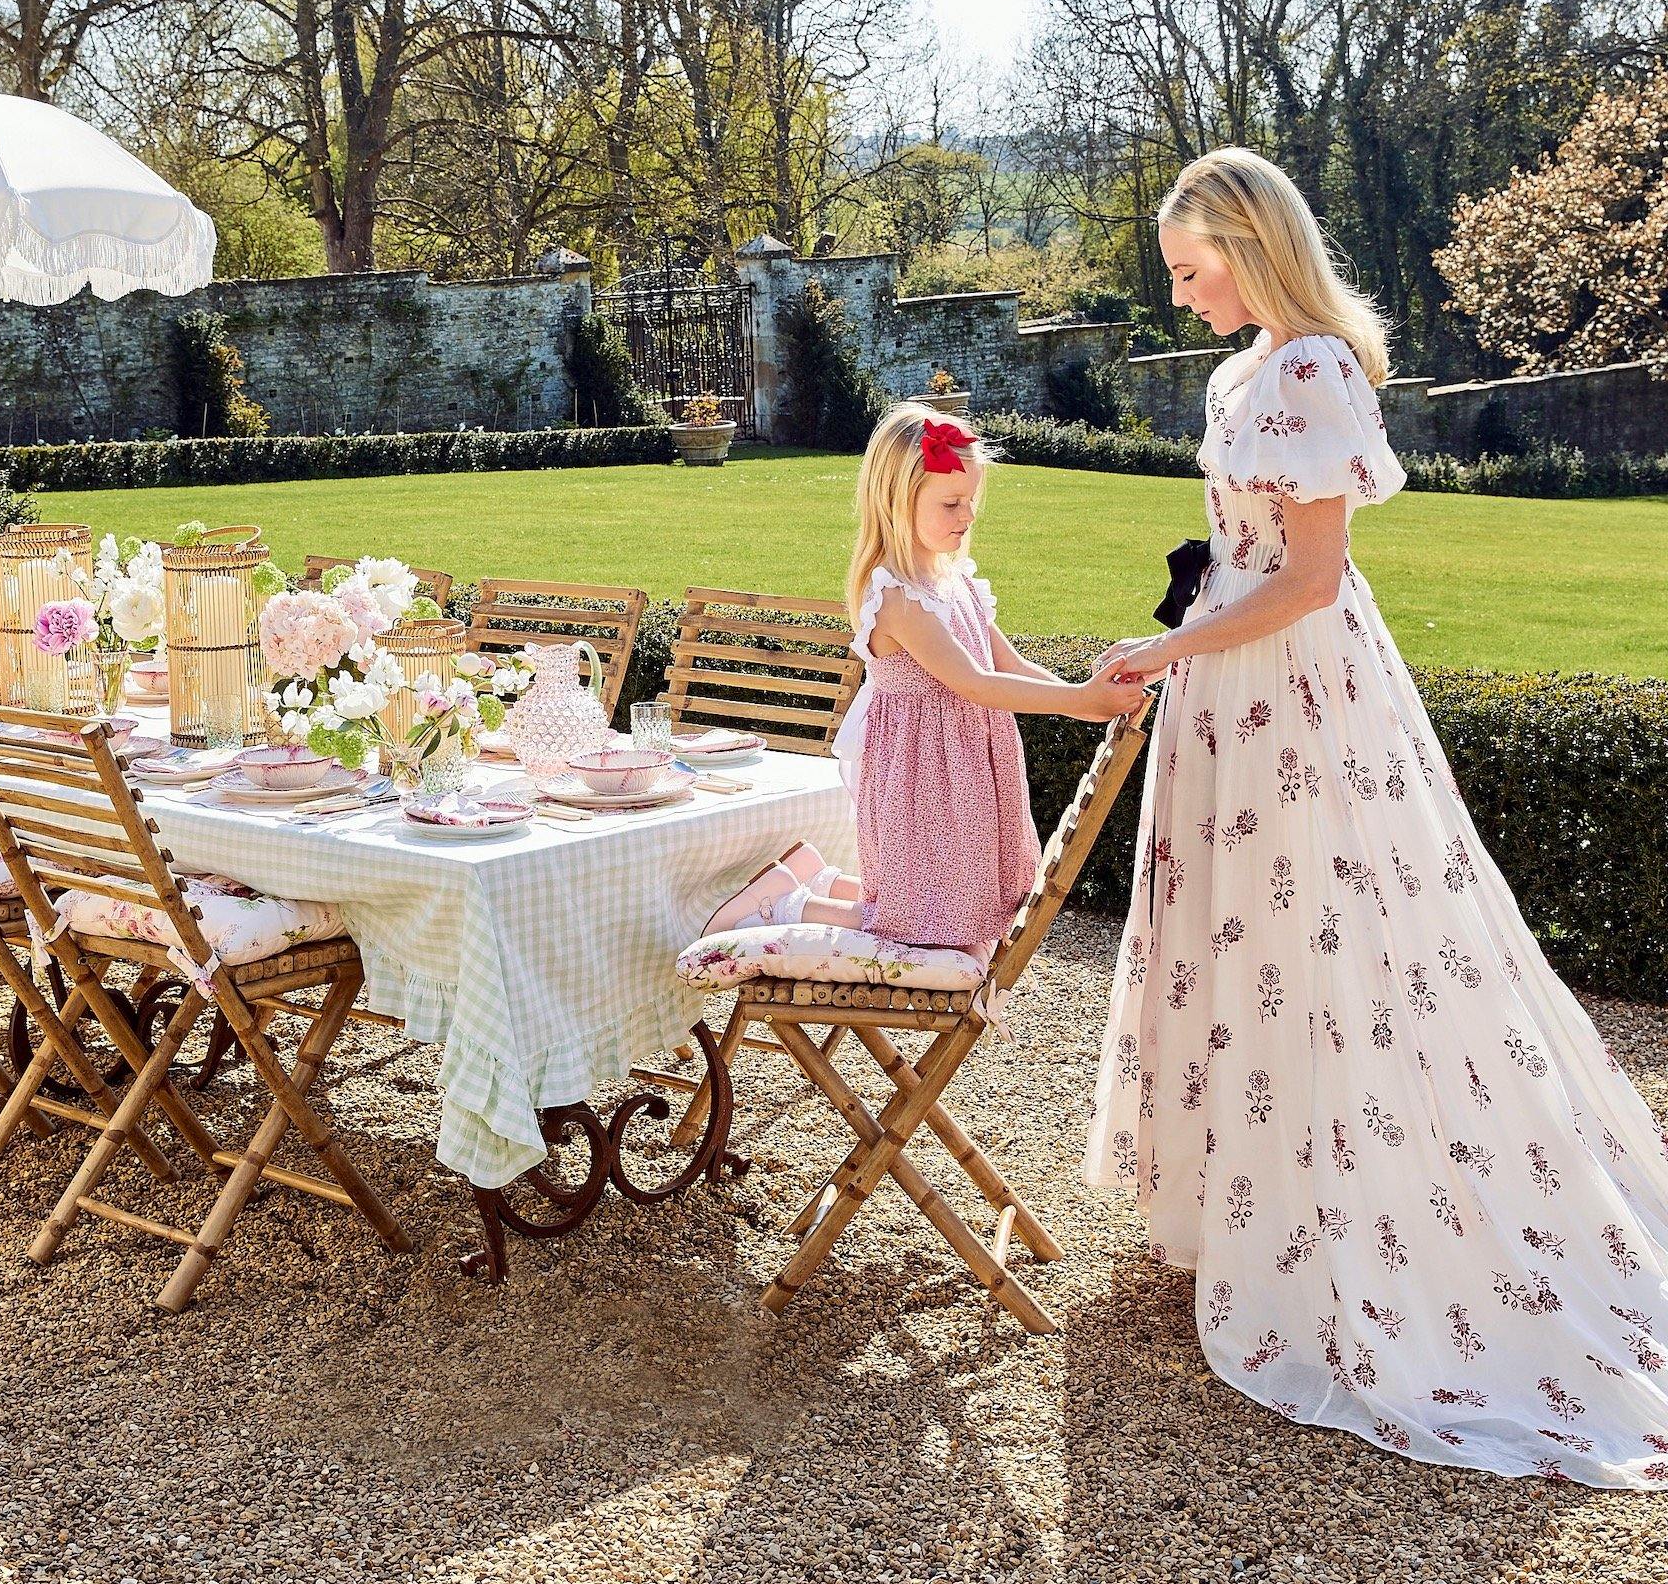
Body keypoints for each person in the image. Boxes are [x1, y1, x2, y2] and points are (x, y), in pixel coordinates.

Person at [1085, 145, 1668, 1487]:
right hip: (1231, 692)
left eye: (1189, 270)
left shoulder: (1308, 371)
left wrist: (1170, 653)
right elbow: (1242, 560)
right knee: (1252, 953)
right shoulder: (1245, 372)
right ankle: (1261, 1218)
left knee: (1329, 953)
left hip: (1292, 693)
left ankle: (1356, 1239)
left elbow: (1308, 583)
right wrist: (1180, 639)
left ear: (1248, 243)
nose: (1180, 299)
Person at [702, 403, 1129, 946]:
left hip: (968, 765)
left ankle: (817, 877)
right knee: (919, 919)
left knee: (964, 903)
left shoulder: (959, 581)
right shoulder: (898, 597)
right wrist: (1078, 701)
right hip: (921, 770)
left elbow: (1010, 665)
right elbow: (972, 682)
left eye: (971, 501)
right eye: (951, 503)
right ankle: (787, 903)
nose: (966, 515)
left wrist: (1085, 693)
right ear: (898, 503)